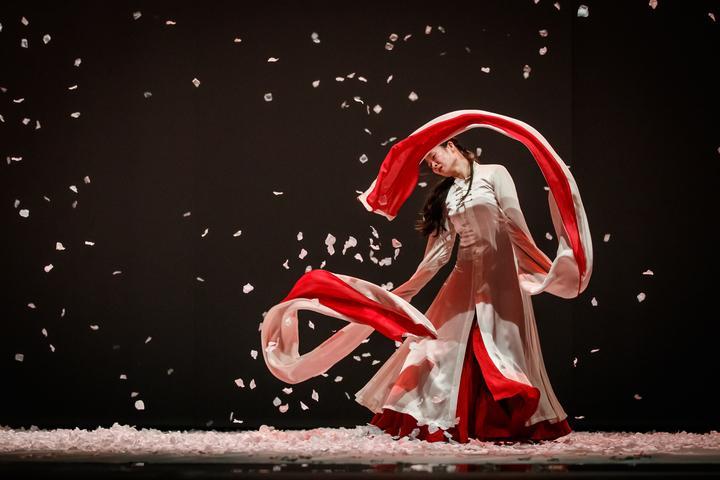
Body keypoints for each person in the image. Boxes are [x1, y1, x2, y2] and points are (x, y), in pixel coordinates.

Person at [260, 109, 593, 445]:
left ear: (452, 146)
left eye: (434, 156)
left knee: (502, 348)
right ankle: (437, 422)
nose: (432, 165)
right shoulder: (447, 195)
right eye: (428, 164)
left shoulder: (495, 173)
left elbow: (514, 222)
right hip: (463, 278)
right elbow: (439, 255)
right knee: (439, 348)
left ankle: (503, 423)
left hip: (501, 278)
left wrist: (538, 270)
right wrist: (405, 291)